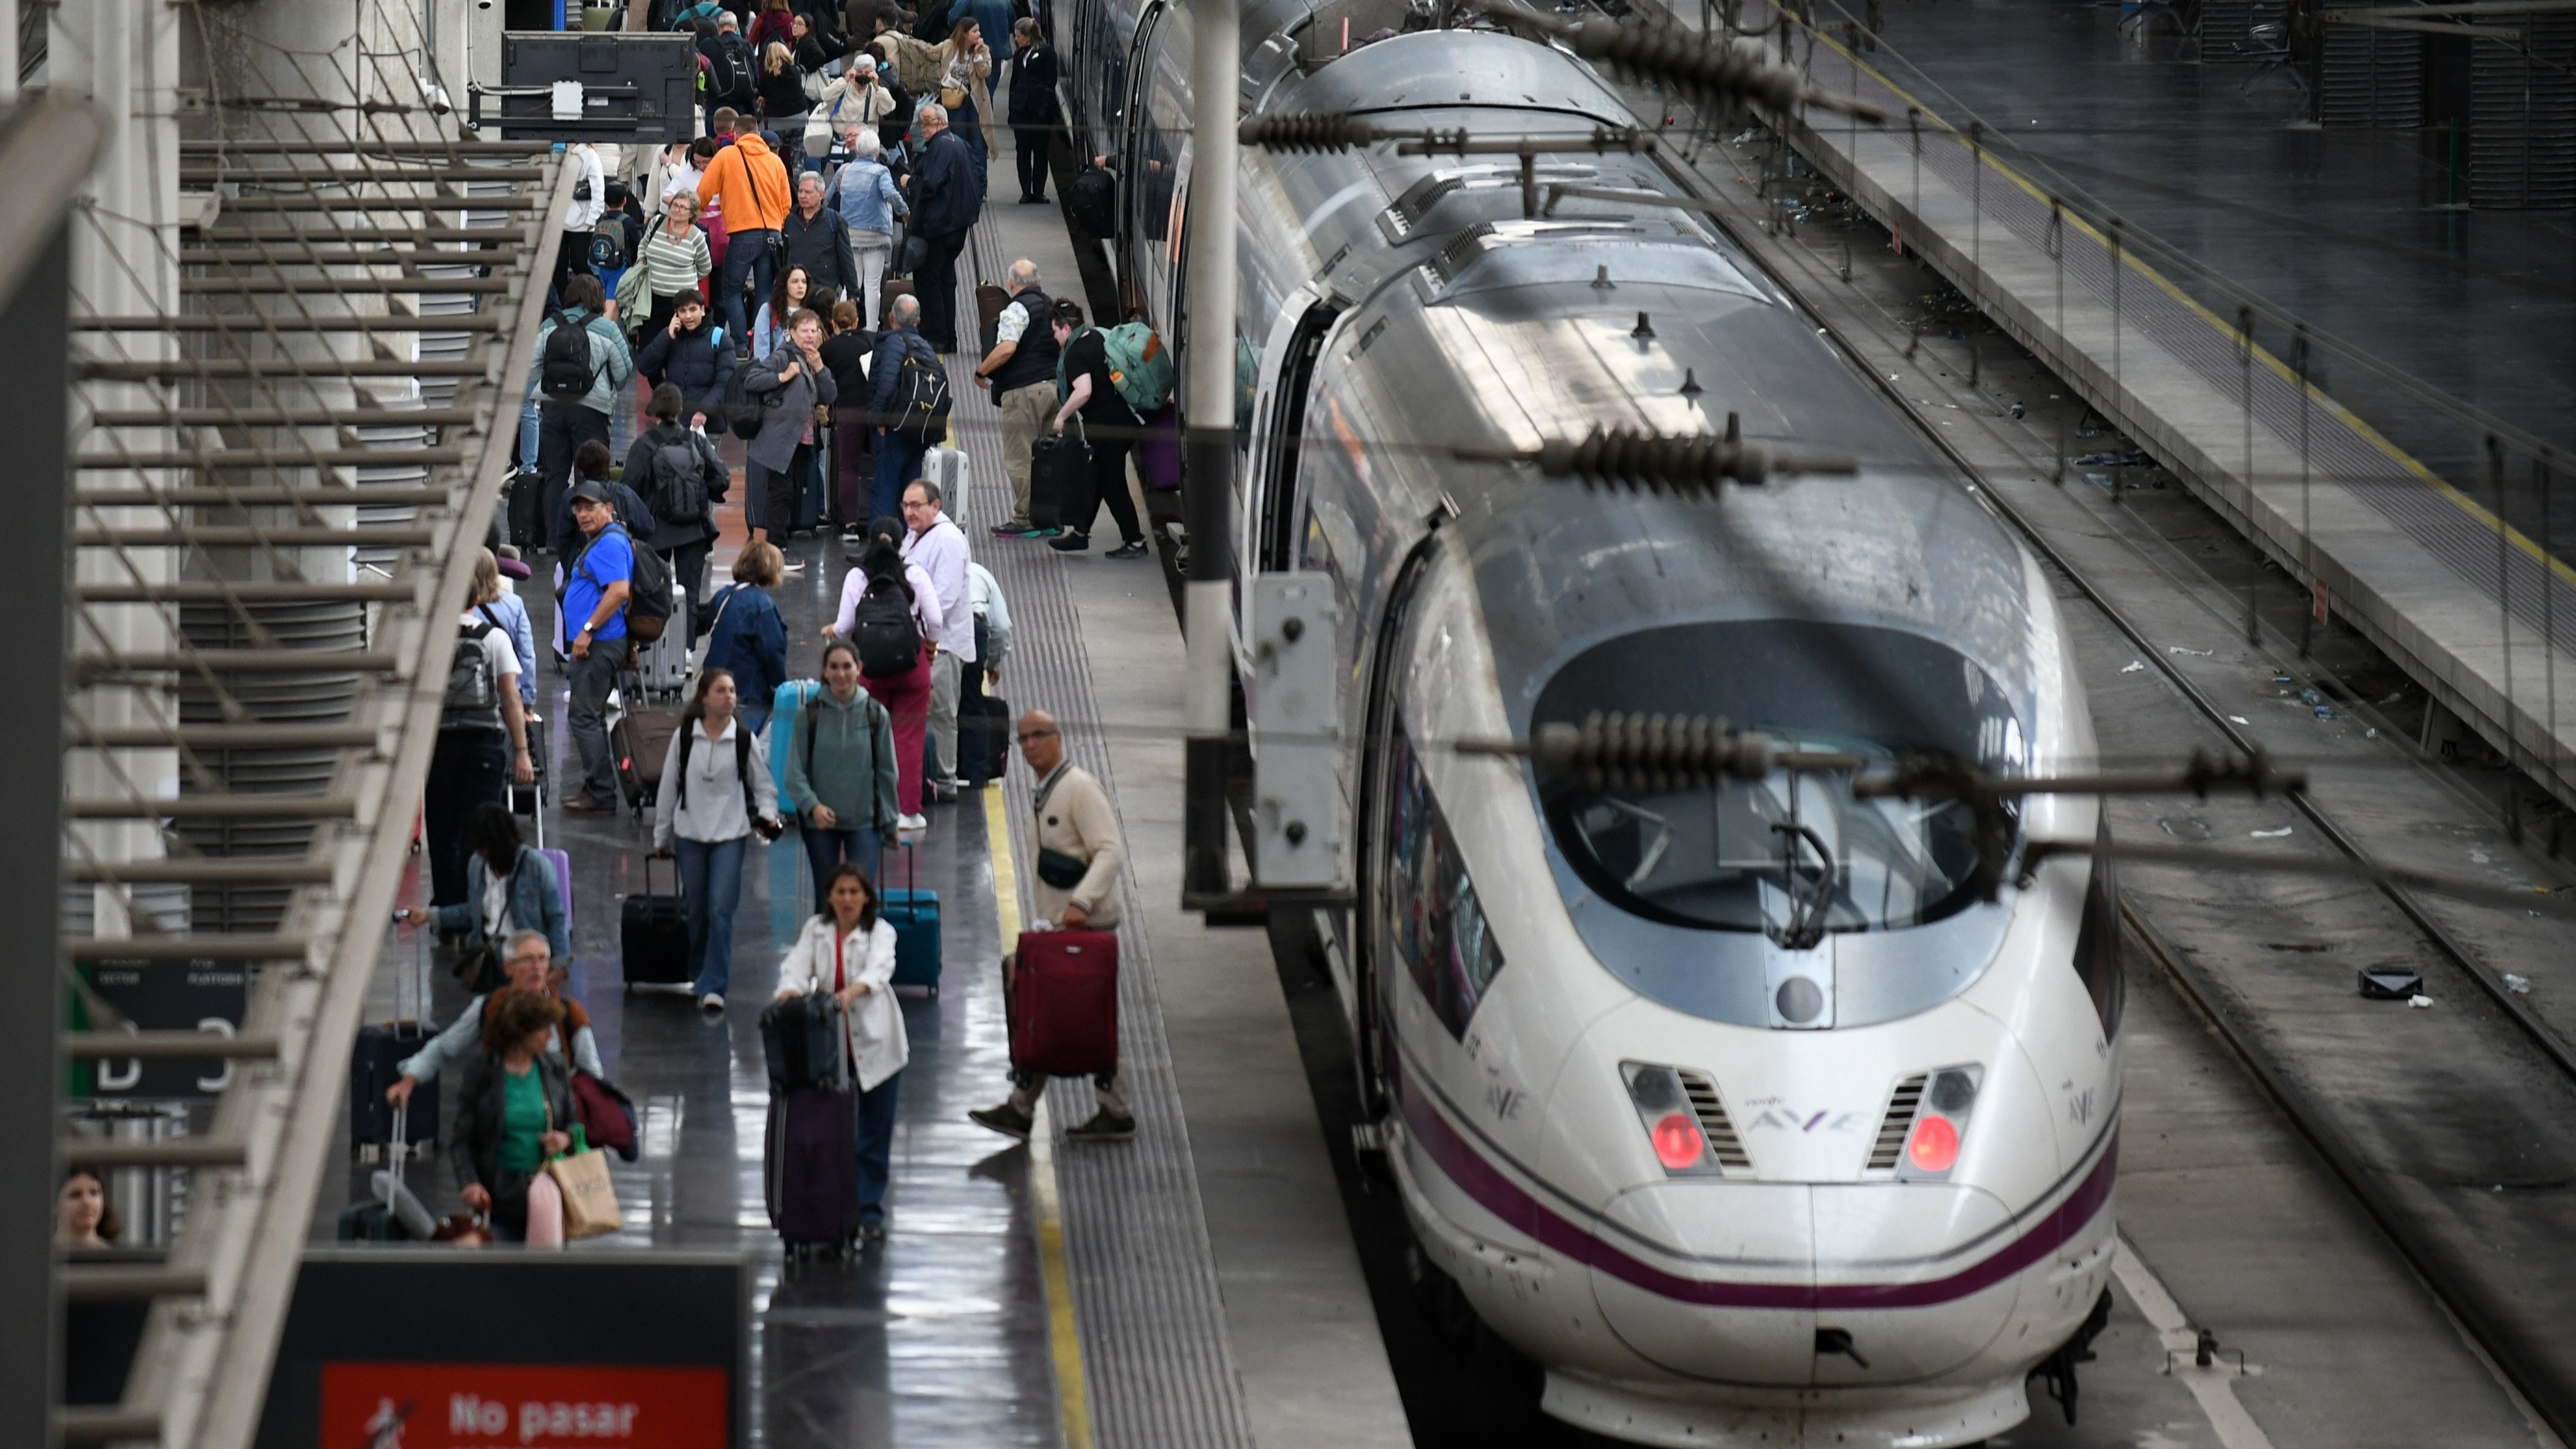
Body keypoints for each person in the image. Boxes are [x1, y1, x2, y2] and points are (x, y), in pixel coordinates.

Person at [970, 709, 1132, 1142]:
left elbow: (1110, 851)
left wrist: (1081, 901)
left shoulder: (1079, 788)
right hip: (1061, 924)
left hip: (1085, 925)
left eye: (1038, 736)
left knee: (1064, 1011)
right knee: (1049, 1008)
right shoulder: (1047, 790)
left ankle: (1040, 1108)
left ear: (1059, 737)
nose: (1030, 746)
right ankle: (1028, 1107)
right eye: (1023, 739)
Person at [772, 861, 907, 1237]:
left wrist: (853, 992)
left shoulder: (881, 931)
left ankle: (870, 1211)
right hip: (831, 1049)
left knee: (874, 1133)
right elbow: (796, 968)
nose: (847, 899)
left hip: (880, 1047)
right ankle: (836, 1207)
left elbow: (881, 970)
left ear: (866, 898)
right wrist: (788, 992)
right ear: (829, 897)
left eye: (854, 892)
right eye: (840, 892)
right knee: (832, 1132)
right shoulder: (816, 930)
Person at [653, 668, 783, 1012]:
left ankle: (715, 984)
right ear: (705, 698)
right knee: (697, 911)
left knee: (721, 910)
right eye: (722, 691)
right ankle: (698, 972)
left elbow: (764, 786)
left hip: (731, 835)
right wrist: (661, 836)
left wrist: (768, 815)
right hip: (690, 835)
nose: (731, 697)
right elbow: (668, 789)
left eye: (733, 690)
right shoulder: (684, 738)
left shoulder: (744, 740)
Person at [383, 927, 601, 1105]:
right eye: (528, 959)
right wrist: (409, 1081)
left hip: (555, 1125)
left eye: (543, 959)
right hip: (501, 1118)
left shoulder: (570, 1014)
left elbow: (593, 1075)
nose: (537, 967)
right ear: (509, 968)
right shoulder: (488, 1008)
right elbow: (444, 1048)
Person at [426, 560, 535, 908]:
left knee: (441, 828)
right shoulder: (494, 637)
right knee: (478, 830)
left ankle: (446, 906)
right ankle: (475, 906)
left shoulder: (430, 639)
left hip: (438, 743)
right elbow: (510, 697)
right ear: (477, 597)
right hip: (484, 744)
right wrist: (521, 750)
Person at [828, 518, 938, 830]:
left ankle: (870, 806)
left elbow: (845, 626)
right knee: (908, 737)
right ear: (903, 543)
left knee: (867, 736)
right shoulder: (914, 574)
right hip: (911, 664)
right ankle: (907, 812)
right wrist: (929, 647)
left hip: (869, 666)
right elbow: (936, 619)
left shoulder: (857, 576)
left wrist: (833, 632)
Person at [450, 987, 578, 1242]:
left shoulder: (555, 1067)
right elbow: (461, 1140)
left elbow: (574, 1123)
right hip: (497, 1200)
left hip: (548, 1196)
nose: (551, 1035)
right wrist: (470, 1183)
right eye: (544, 1029)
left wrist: (566, 1139)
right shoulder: (481, 1073)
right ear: (522, 1031)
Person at [785, 638, 901, 900]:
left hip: (864, 822)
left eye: (847, 666)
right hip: (820, 825)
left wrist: (890, 822)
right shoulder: (809, 715)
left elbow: (886, 772)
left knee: (860, 899)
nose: (841, 674)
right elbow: (794, 772)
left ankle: (858, 943)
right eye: (834, 667)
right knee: (827, 900)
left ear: (859, 668)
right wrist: (813, 806)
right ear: (825, 671)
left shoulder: (875, 714)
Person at [527, 275, 634, 552]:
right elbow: (624, 373)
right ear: (597, 299)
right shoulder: (607, 329)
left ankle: (554, 540)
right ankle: (590, 537)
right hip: (592, 412)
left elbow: (532, 368)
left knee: (555, 475)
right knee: (590, 476)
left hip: (552, 410)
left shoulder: (550, 325)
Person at [1045, 298, 1147, 557]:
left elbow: (1084, 392)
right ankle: (1081, 533)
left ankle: (1135, 542)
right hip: (1125, 418)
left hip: (1108, 428)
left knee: (1112, 484)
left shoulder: (1075, 353)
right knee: (1099, 479)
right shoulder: (1097, 336)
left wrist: (1061, 416)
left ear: (1066, 329)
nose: (1055, 337)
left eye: (1055, 331)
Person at [561, 480, 636, 813]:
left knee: (584, 717)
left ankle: (601, 791)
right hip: (604, 643)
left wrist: (587, 630)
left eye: (590, 507)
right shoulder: (605, 540)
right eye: (578, 509)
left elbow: (619, 591)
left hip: (598, 646)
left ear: (608, 508)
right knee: (586, 716)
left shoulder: (609, 545)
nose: (582, 514)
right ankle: (599, 786)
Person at [698, 106, 794, 355]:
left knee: (731, 289)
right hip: (772, 234)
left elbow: (704, 191)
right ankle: (760, 344)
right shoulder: (775, 160)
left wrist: (695, 214)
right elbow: (787, 204)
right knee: (765, 291)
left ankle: (741, 345)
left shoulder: (728, 155)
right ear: (759, 133)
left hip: (742, 234)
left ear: (735, 134)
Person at [970, 258, 1057, 536]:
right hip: (1053, 390)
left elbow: (1007, 348)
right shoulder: (1052, 306)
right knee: (1051, 458)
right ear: (1039, 280)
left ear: (1011, 284)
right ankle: (1051, 518)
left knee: (1021, 458)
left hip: (1023, 393)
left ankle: (1025, 520)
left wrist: (982, 371)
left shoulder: (1016, 309)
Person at [900, 478, 974, 801]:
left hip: (941, 644)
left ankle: (944, 782)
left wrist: (907, 615)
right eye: (906, 506)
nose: (909, 512)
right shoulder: (914, 537)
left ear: (936, 506)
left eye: (916, 505)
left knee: (942, 713)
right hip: (917, 641)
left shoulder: (948, 540)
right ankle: (924, 777)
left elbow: (944, 598)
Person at [624, 383, 727, 603]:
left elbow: (629, 489)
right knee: (690, 598)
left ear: (654, 411)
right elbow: (722, 479)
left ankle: (656, 637)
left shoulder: (644, 445)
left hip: (655, 530)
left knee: (651, 596)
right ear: (680, 410)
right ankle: (687, 638)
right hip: (694, 530)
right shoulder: (696, 442)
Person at [744, 306, 837, 550]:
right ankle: (776, 548)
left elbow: (829, 394)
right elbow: (752, 379)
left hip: (801, 439)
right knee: (781, 492)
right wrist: (783, 377)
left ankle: (777, 546)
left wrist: (820, 368)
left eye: (814, 330)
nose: (809, 335)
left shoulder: (813, 359)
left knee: (791, 491)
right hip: (780, 437)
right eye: (804, 330)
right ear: (792, 334)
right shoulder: (784, 356)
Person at [904, 104, 981, 352]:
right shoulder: (959, 144)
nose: (923, 127)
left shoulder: (940, 148)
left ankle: (936, 337)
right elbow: (980, 176)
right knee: (947, 280)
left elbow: (929, 184)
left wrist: (909, 182)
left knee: (929, 281)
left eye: (927, 121)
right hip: (958, 226)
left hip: (938, 227)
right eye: (921, 122)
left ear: (941, 121)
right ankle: (950, 337)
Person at [699, 541, 792, 734]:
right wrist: (783, 689)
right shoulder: (763, 606)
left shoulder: (724, 595)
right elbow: (773, 653)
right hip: (748, 693)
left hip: (714, 685)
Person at [865, 294, 940, 519]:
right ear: (918, 321)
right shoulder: (927, 348)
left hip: (895, 428)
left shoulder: (892, 344)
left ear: (891, 319)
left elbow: (886, 384)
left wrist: (877, 421)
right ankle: (909, 545)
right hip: (920, 429)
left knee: (885, 488)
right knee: (911, 492)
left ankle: (883, 545)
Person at [827, 126, 905, 328]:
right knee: (872, 286)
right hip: (875, 235)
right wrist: (904, 211)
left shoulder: (845, 170)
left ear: (857, 151)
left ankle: (841, 323)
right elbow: (891, 194)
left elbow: (827, 197)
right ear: (878, 152)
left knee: (852, 284)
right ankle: (871, 328)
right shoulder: (881, 171)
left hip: (849, 234)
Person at [549, 438, 657, 570]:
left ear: (581, 470)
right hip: (619, 564)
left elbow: (564, 538)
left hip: (584, 566)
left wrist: (571, 569)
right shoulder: (624, 493)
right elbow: (647, 527)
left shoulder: (571, 497)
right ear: (607, 467)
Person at [635, 292, 736, 432]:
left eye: (693, 309)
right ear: (676, 314)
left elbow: (725, 382)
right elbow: (644, 367)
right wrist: (666, 336)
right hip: (674, 424)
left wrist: (704, 410)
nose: (688, 316)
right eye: (682, 311)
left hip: (708, 425)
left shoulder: (720, 339)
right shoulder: (670, 337)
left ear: (702, 310)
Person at [821, 299, 879, 532]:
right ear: (856, 322)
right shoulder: (868, 341)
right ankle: (880, 520)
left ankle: (850, 524)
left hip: (847, 410)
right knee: (880, 464)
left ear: (833, 324)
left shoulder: (829, 348)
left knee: (848, 467)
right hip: (874, 409)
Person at [635, 190, 717, 341]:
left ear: (692, 213)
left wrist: (686, 280)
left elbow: (705, 267)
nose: (676, 210)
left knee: (677, 349)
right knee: (649, 345)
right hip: (651, 299)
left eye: (682, 207)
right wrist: (641, 261)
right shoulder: (657, 222)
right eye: (674, 205)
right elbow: (643, 245)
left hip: (682, 304)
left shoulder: (697, 236)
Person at [959, 559, 1012, 786]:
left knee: (937, 707)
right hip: (973, 627)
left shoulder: (920, 565)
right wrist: (992, 663)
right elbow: (1001, 626)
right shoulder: (980, 572)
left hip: (936, 632)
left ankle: (938, 774)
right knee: (972, 703)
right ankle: (977, 773)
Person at [780, 170, 862, 309]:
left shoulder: (834, 221)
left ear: (821, 195)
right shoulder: (791, 220)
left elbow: (846, 260)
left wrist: (853, 294)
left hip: (823, 295)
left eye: (808, 192)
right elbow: (786, 256)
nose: (803, 196)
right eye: (800, 191)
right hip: (795, 294)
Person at [807, 56, 900, 178]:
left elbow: (887, 109)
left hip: (865, 143)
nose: (863, 75)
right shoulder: (844, 86)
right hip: (843, 141)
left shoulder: (876, 91)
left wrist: (877, 87)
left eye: (867, 72)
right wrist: (844, 81)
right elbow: (825, 96)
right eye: (860, 72)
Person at [928, 18, 995, 172]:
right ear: (965, 34)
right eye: (974, 31)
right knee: (959, 140)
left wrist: (978, 55)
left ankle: (980, 186)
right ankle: (961, 180)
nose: (978, 34)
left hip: (974, 101)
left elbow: (985, 72)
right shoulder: (948, 46)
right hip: (953, 100)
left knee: (978, 143)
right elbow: (930, 53)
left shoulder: (983, 50)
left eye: (979, 30)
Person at [1006, 18, 1058, 204]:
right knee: (1023, 150)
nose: (1016, 39)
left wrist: (1045, 105)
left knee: (1040, 151)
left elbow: (1051, 81)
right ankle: (1026, 190)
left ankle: (1039, 191)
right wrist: (1012, 110)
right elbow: (1014, 82)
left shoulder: (1047, 53)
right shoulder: (1019, 54)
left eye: (1018, 36)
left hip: (1039, 111)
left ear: (1028, 37)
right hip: (1021, 109)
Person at [555, 140, 606, 296]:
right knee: (558, 266)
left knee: (580, 263)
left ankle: (595, 296)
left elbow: (599, 189)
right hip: (558, 220)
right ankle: (562, 304)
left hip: (582, 222)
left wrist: (592, 218)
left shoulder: (589, 155)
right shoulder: (557, 150)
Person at [756, 40, 811, 165]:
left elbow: (763, 95)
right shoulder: (796, 71)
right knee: (798, 160)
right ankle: (798, 181)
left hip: (778, 121)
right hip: (800, 117)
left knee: (774, 158)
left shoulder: (767, 76)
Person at [751, 262, 813, 366]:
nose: (800, 286)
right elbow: (761, 353)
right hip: (774, 372)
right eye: (795, 282)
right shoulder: (768, 310)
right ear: (785, 285)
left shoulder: (811, 311)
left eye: (804, 282)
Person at [58, 1168, 119, 1249]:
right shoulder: (40, 1254)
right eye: (76, 1195)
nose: (87, 1202)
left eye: (94, 1193)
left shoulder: (117, 1257)